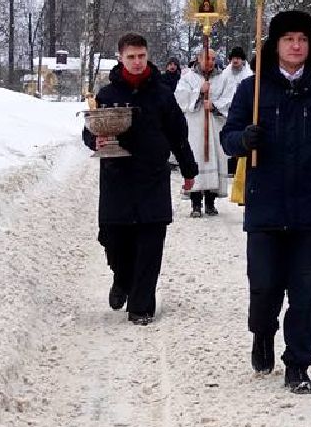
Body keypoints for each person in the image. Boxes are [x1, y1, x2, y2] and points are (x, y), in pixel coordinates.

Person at [220, 10, 311, 395]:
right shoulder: (253, 90)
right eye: (288, 39)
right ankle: (262, 332)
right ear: (275, 45)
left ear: (310, 44)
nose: (296, 46)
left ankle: (298, 363)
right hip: (266, 205)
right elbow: (228, 136)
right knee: (264, 287)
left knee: (306, 291)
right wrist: (242, 141)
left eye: (302, 39)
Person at [82, 33, 199, 325]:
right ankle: (122, 279)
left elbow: (178, 134)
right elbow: (89, 129)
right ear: (121, 58)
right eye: (131, 57)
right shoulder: (107, 95)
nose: (137, 62)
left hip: (152, 178)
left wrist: (188, 170)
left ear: (147, 56)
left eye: (141, 56)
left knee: (150, 242)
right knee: (114, 240)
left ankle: (141, 305)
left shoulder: (161, 94)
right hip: (116, 179)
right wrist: (93, 140)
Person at [174, 49, 227, 217]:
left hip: (214, 125)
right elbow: (180, 98)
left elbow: (230, 98)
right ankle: (196, 204)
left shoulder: (222, 78)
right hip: (196, 126)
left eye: (213, 58)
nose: (210, 61)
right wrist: (198, 92)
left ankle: (210, 203)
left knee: (214, 160)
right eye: (206, 58)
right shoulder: (188, 78)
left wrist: (215, 105)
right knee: (196, 160)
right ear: (198, 59)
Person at [210, 46, 252, 177]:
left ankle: (238, 168)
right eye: (233, 58)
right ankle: (228, 167)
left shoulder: (249, 75)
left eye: (238, 58)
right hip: (224, 113)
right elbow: (216, 93)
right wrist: (217, 106)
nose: (235, 61)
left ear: (243, 61)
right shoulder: (224, 75)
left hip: (243, 114)